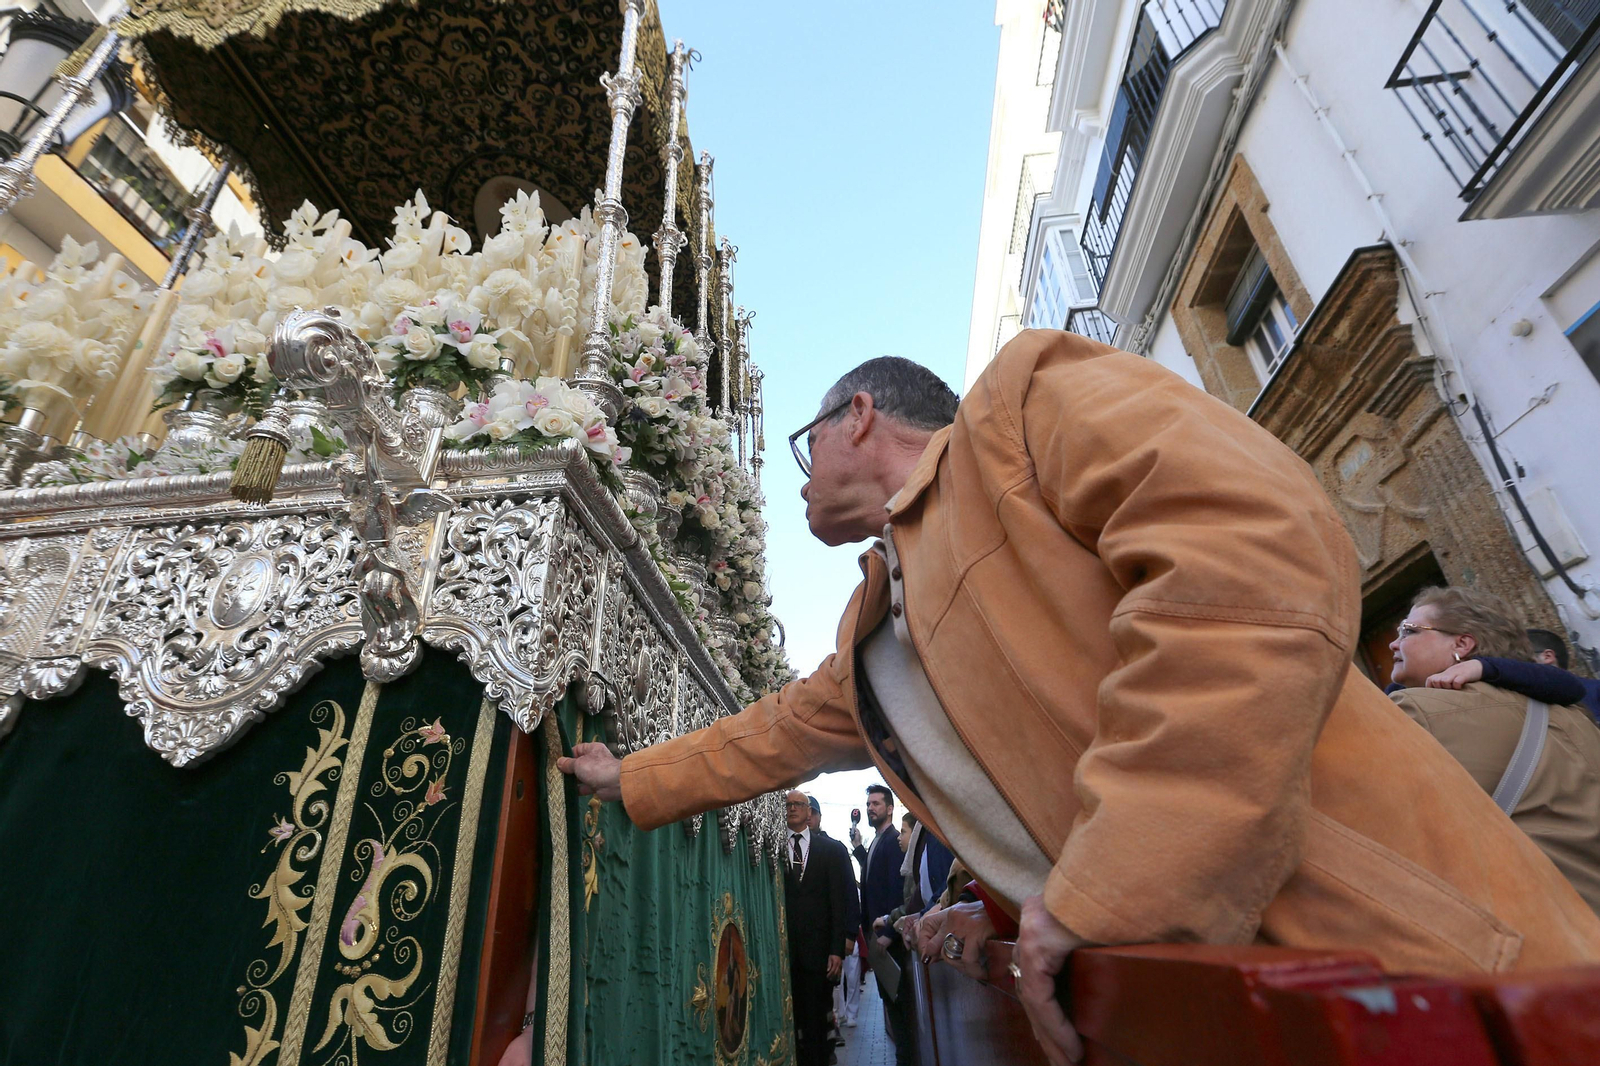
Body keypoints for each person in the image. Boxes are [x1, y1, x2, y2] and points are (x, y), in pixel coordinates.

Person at [561, 334, 1600, 1066]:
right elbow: (778, 733)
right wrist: (628, 776)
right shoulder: (874, 619)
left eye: (808, 444)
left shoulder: (1018, 408)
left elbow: (1250, 550)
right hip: (1190, 1010)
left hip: (1425, 980)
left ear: (860, 416)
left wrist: (1115, 885)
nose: (800, 478)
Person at [1387, 587, 1600, 915]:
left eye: (1409, 631)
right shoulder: (1575, 712)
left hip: (1541, 918)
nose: (1394, 643)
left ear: (1462, 644)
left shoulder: (1414, 711)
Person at [778, 790, 850, 1066]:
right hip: (787, 953)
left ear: (809, 811)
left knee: (818, 1020)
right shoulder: (773, 849)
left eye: (798, 804)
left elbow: (838, 903)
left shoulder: (830, 850)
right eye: (788, 804)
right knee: (794, 1020)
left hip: (819, 954)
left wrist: (837, 949)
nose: (792, 808)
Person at [851, 784, 911, 1063]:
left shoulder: (894, 841)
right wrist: (858, 848)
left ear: (890, 808)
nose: (870, 808)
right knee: (890, 1003)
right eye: (868, 804)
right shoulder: (879, 840)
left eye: (876, 804)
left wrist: (889, 933)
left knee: (900, 1006)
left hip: (890, 940)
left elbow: (897, 891)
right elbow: (873, 877)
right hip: (877, 937)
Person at [808, 796, 858, 1051]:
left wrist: (849, 935)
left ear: (819, 816)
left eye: (812, 812)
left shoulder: (834, 849)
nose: (808, 817)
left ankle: (830, 1035)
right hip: (806, 941)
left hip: (830, 938)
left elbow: (849, 894)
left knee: (830, 990)